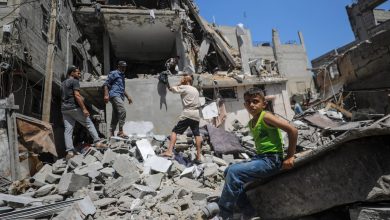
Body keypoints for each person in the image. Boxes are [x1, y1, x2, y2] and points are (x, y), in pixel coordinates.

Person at [217, 87, 298, 219]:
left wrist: (290, 156)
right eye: (248, 102)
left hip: (272, 160)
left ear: (264, 104)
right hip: (261, 158)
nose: (251, 105)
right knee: (228, 171)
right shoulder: (252, 122)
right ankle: (249, 212)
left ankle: (224, 215)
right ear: (244, 105)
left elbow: (293, 130)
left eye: (255, 101)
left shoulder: (266, 116)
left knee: (234, 173)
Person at [61, 66, 106, 160]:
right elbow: (77, 96)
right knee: (88, 123)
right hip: (73, 107)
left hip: (64, 109)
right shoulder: (75, 81)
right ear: (71, 73)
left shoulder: (63, 83)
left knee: (68, 130)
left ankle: (70, 152)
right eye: (77, 72)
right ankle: (97, 142)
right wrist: (84, 109)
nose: (79, 74)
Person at [161, 74, 202, 163]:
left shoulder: (185, 87)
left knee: (175, 131)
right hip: (196, 114)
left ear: (187, 81)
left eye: (183, 78)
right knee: (197, 134)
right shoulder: (195, 89)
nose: (181, 79)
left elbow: (172, 89)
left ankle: (169, 151)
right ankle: (199, 156)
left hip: (187, 113)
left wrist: (169, 84)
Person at [103, 61, 133, 139]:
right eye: (122, 67)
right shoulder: (114, 73)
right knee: (122, 111)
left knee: (116, 114)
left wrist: (128, 96)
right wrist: (106, 95)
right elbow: (106, 84)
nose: (124, 68)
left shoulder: (122, 76)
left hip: (120, 96)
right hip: (114, 94)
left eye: (125, 67)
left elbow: (122, 89)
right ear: (118, 66)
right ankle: (120, 131)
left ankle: (111, 132)